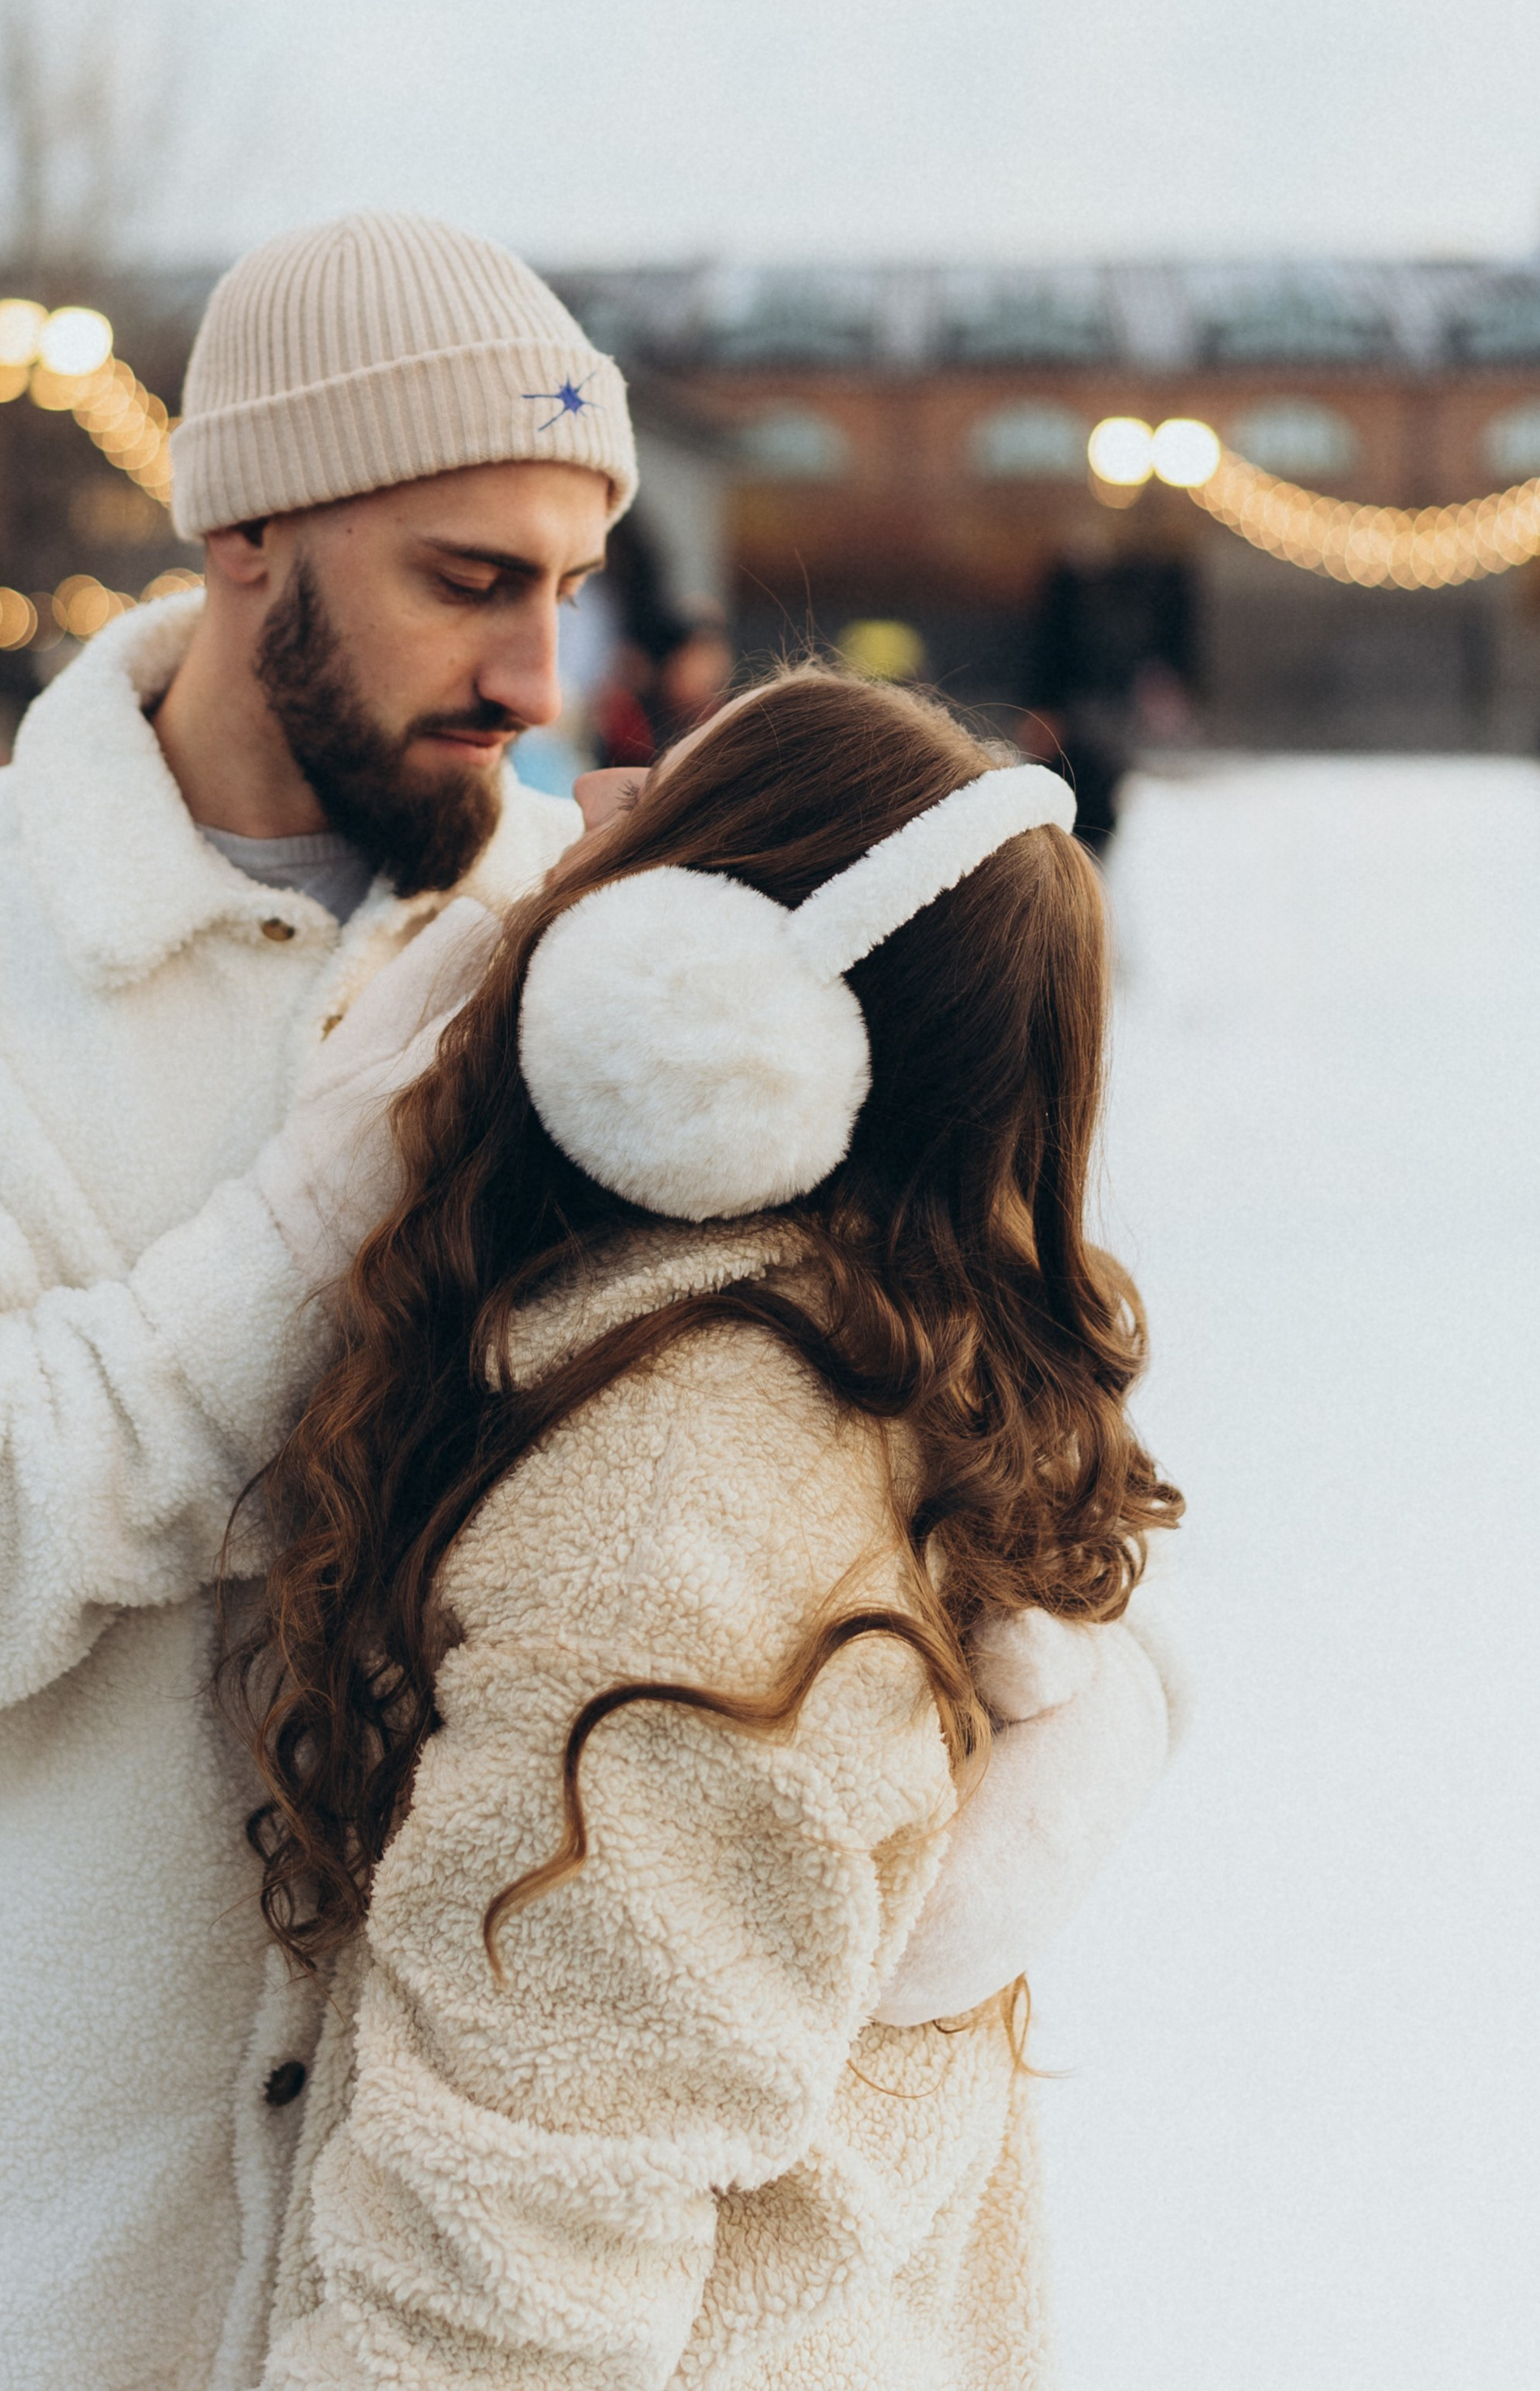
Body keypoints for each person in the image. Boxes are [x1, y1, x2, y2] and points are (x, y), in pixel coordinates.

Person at [0, 214, 1177, 2391]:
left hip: (454, 2290)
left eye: (567, 591)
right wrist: (312, 1217)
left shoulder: (611, 953)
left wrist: (1058, 1756)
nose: (535, 681)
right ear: (249, 536)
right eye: (469, 583)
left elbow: (880, 1425)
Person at [231, 664, 1185, 2387]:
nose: (580, 814)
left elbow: (526, 2244)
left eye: (654, 807)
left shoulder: (686, 1500)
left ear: (693, 998)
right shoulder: (857, 1396)